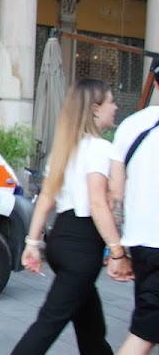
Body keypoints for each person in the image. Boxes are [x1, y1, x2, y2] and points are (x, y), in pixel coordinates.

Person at [11, 78, 123, 355]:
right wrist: (118, 250)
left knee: (91, 328)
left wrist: (32, 243)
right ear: (95, 108)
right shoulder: (99, 149)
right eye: (111, 102)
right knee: (50, 323)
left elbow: (46, 199)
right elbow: (98, 203)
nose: (116, 107)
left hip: (62, 238)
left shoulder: (66, 150)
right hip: (82, 246)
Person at [108, 66, 159, 355]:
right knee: (143, 334)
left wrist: (117, 252)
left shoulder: (132, 125)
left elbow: (116, 192)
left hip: (140, 245)